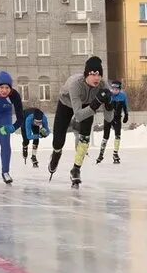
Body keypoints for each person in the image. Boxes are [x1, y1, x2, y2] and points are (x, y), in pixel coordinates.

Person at [48, 56, 114, 186]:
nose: (97, 78)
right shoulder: (75, 84)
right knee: (58, 140)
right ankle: (56, 154)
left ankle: (76, 169)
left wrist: (109, 105)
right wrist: (96, 103)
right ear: (86, 75)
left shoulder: (103, 86)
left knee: (85, 138)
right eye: (93, 74)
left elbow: (109, 119)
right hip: (66, 103)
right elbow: (78, 116)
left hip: (88, 105)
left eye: (99, 74)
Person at [97, 80, 129, 164]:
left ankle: (115, 153)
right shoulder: (108, 95)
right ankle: (101, 154)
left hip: (117, 118)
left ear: (119, 89)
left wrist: (126, 115)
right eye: (113, 89)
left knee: (118, 135)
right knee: (105, 137)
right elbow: (100, 101)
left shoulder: (123, 96)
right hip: (108, 118)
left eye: (117, 89)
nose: (115, 91)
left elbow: (125, 106)